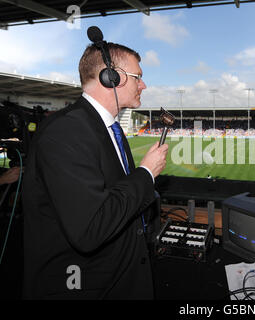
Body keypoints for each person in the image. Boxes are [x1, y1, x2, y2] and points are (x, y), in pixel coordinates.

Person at [22, 41, 168, 299]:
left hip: (119, 279)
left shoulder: (109, 127)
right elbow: (90, 228)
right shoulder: (66, 130)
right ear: (112, 77)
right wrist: (146, 173)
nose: (143, 86)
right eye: (139, 78)